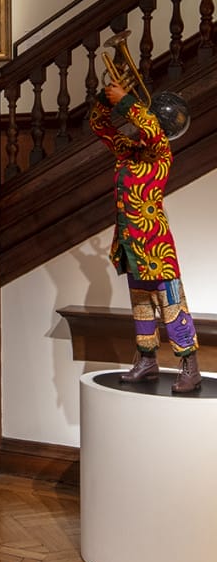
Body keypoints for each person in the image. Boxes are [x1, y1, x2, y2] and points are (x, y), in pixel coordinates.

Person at [89, 81, 201, 393]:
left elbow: (150, 129)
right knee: (141, 305)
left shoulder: (161, 150)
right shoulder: (130, 151)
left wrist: (126, 101)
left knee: (171, 305)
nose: (140, 125)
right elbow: (99, 126)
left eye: (147, 118)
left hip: (156, 245)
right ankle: (147, 359)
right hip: (131, 244)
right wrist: (105, 97)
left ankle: (190, 365)